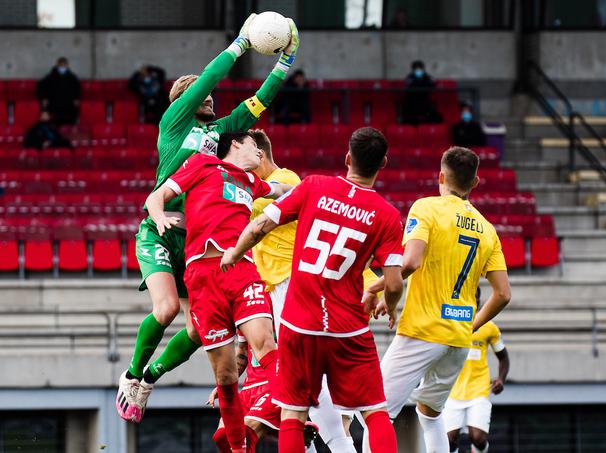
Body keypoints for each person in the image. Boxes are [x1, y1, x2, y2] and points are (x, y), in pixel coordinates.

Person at [115, 14, 299, 425]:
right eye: (201, 94)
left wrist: (285, 62)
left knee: (198, 332)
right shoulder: (174, 124)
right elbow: (210, 78)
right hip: (160, 231)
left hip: (196, 242)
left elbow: (259, 103)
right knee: (164, 311)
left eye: (212, 98)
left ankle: (148, 380)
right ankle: (129, 375)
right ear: (182, 100)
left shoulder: (218, 134)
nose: (211, 99)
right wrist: (240, 44)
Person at [221, 127, 406, 453]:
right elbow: (394, 282)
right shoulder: (388, 215)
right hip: (347, 324)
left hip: (298, 317)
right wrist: (389, 304)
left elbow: (260, 225)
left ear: (347, 158)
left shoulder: (312, 186)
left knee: (294, 413)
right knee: (375, 410)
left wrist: (234, 253)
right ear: (384, 164)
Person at [145, 130, 292, 452]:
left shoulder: (253, 183)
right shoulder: (202, 165)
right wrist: (159, 219)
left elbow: (283, 190)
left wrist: (319, 191)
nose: (261, 155)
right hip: (202, 276)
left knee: (266, 344)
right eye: (256, 146)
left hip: (241, 271)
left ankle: (293, 412)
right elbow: (155, 197)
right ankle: (240, 447)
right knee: (225, 376)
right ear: (237, 144)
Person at [362, 146, 511, 453]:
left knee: (375, 413)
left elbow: (410, 262)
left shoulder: (426, 208)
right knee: (431, 416)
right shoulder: (487, 229)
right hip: (457, 338)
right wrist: (471, 325)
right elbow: (503, 294)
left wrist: (375, 288)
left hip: (423, 331)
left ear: (441, 176)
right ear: (476, 183)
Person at [444, 288, 510, 453]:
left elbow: (503, 357)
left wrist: (501, 379)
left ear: (479, 301)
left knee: (478, 438)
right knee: (449, 440)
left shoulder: (489, 327)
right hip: (453, 390)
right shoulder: (450, 323)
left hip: (479, 389)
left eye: (473, 298)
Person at [37, 57, 80, 125]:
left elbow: (77, 89)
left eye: (64, 65)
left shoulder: (72, 78)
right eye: (61, 65)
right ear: (57, 65)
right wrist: (44, 98)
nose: (62, 68)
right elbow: (41, 87)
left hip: (68, 106)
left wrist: (76, 98)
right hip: (54, 106)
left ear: (67, 66)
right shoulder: (50, 77)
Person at [402, 60, 441, 125]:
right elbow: (408, 85)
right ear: (413, 69)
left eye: (420, 68)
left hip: (425, 101)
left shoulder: (427, 76)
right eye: (416, 68)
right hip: (413, 101)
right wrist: (418, 82)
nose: (418, 70)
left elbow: (433, 84)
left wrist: (422, 81)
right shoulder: (410, 77)